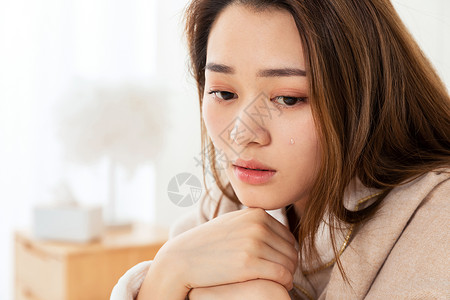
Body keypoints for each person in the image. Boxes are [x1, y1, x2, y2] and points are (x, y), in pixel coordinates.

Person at [111, 0, 450, 299]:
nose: (242, 134)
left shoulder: (437, 216)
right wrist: (169, 271)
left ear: (364, 98)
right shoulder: (222, 210)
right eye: (224, 93)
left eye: (288, 98)